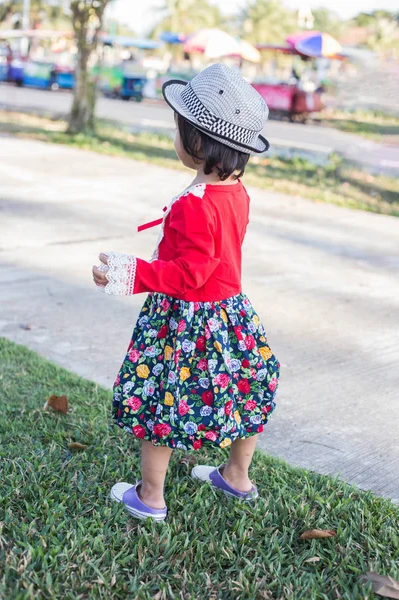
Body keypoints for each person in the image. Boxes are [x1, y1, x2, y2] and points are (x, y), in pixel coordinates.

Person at [92, 63, 280, 522]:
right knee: (244, 389)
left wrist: (132, 273)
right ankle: (237, 476)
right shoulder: (236, 190)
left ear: (197, 143)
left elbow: (191, 273)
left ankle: (150, 496)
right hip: (231, 312)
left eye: (179, 128)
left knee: (161, 396)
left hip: (187, 318)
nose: (174, 137)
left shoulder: (197, 204)